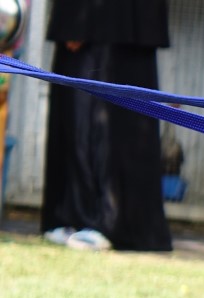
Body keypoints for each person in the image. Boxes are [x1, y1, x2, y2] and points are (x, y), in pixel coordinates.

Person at [39, 0, 172, 252]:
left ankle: (104, 222)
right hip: (93, 18)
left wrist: (79, 21)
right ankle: (75, 217)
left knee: (110, 117)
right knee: (78, 114)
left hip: (114, 18)